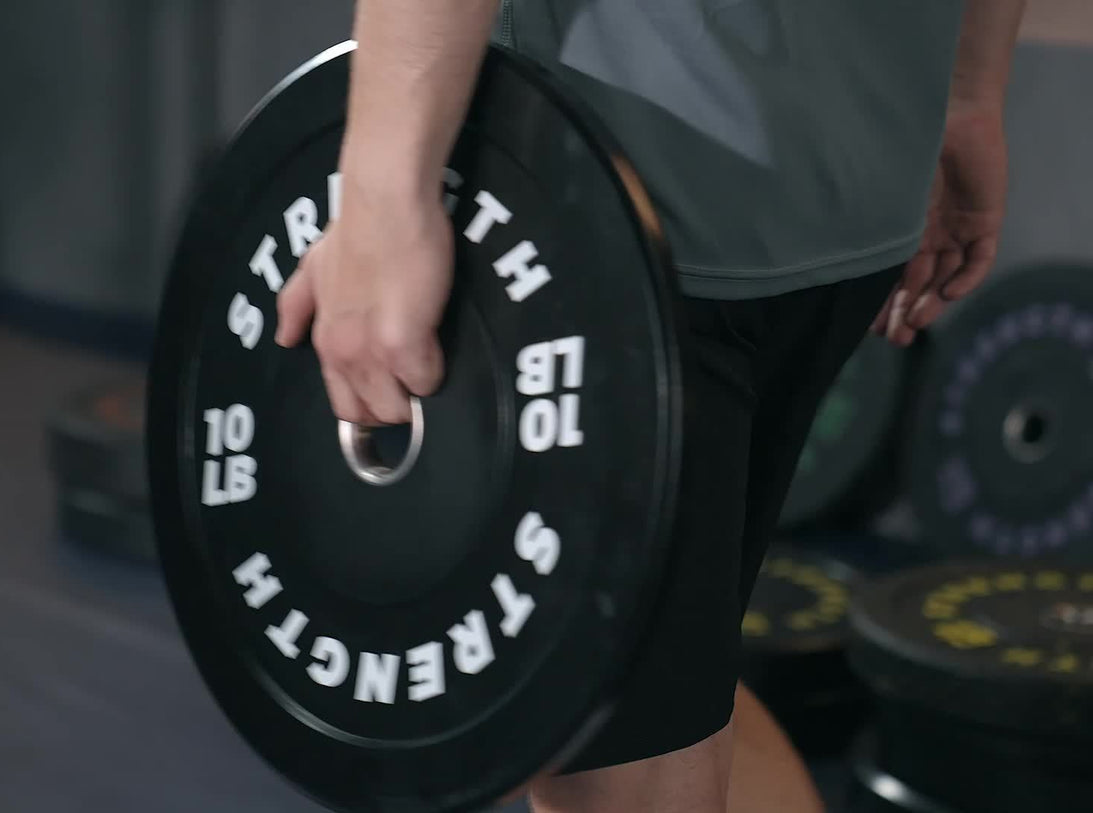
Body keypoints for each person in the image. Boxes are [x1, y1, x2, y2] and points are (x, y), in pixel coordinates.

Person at [273, 1, 1026, 811]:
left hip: (619, 207)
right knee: (678, 690)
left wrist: (382, 206)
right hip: (851, 183)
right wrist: (964, 89)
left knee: (627, 755)